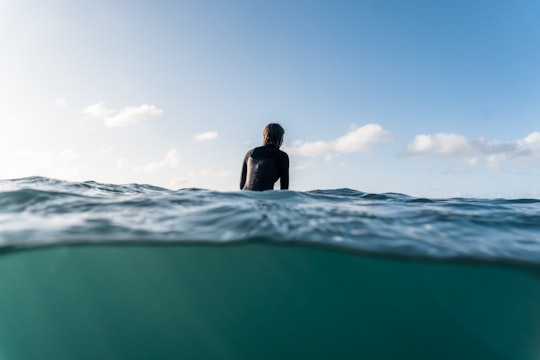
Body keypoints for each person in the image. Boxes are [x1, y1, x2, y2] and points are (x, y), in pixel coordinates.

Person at [240, 123, 289, 191]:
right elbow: (284, 189)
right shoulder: (282, 156)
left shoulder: (249, 154)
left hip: (246, 197)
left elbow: (241, 185)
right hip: (265, 198)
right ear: (280, 139)